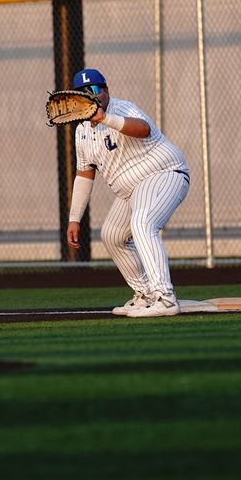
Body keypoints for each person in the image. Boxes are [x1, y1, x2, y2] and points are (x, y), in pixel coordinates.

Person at [63, 67, 191, 317]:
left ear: (106, 91)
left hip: (164, 173)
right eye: (83, 93)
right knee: (112, 235)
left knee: (143, 222)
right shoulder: (82, 132)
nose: (91, 96)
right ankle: (145, 294)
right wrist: (74, 219)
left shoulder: (122, 108)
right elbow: (84, 174)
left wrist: (105, 119)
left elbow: (143, 129)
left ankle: (165, 299)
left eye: (95, 89)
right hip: (132, 189)